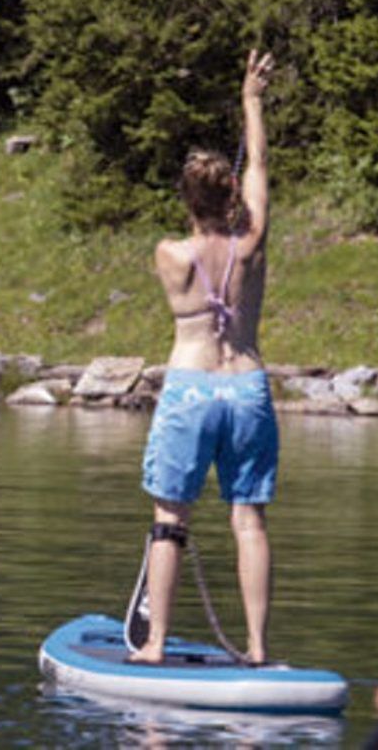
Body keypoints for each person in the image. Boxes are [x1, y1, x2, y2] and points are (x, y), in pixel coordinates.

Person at [128, 51, 277, 665]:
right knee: (249, 521)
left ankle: (156, 642)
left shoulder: (169, 253)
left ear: (186, 201)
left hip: (191, 389)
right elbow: (260, 165)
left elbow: (219, 210)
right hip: (245, 386)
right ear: (231, 198)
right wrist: (252, 100)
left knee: (170, 521)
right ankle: (260, 648)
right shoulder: (253, 243)